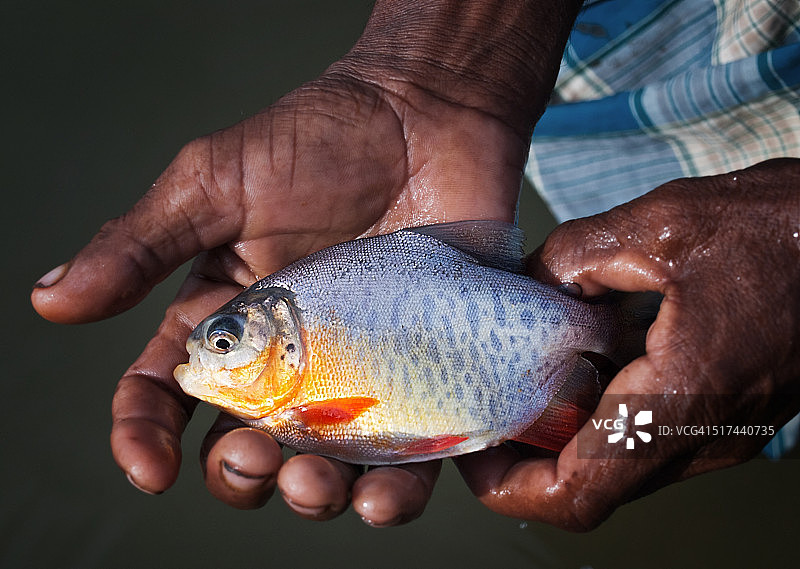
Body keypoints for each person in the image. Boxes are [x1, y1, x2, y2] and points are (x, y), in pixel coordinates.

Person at [31, 0, 800, 530]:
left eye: (226, 342)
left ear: (284, 345)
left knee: (718, 378)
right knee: (705, 390)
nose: (210, 350)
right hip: (616, 91)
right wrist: (435, 68)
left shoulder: (302, 392)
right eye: (222, 342)